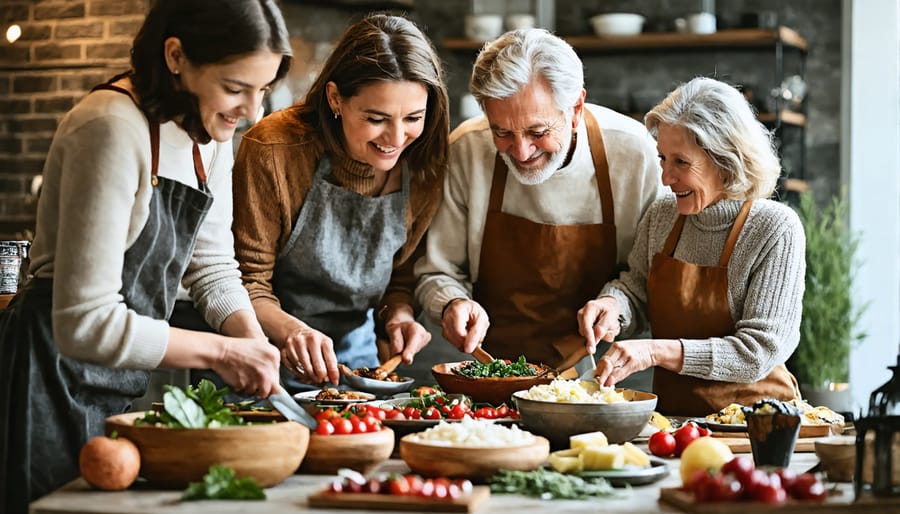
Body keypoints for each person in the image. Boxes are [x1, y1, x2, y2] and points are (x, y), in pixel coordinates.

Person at [0, 0, 292, 510]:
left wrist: (254, 345)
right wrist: (223, 353)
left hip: (118, 380)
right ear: (176, 56)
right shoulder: (110, 126)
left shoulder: (210, 135)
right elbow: (86, 322)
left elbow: (213, 266)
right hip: (49, 378)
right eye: (235, 87)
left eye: (262, 89)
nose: (253, 112)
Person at [414, 28, 664, 371]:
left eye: (538, 132)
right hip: (493, 371)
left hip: (607, 374)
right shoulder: (467, 150)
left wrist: (616, 305)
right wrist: (451, 303)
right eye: (501, 132)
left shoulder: (635, 154)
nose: (520, 151)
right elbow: (436, 271)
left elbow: (652, 279)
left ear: (575, 108)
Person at [232, 14, 449, 389]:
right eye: (376, 118)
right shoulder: (274, 149)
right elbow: (245, 281)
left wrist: (399, 316)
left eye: (413, 117)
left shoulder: (424, 165)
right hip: (260, 364)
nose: (397, 137)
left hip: (358, 367)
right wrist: (293, 334)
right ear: (335, 98)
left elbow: (400, 278)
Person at [577, 77, 805, 416]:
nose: (666, 178)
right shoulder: (662, 215)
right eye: (663, 159)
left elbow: (757, 351)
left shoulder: (775, 228)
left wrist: (654, 352)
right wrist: (614, 306)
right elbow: (636, 288)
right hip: (675, 420)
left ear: (726, 159)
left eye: (681, 163)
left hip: (756, 426)